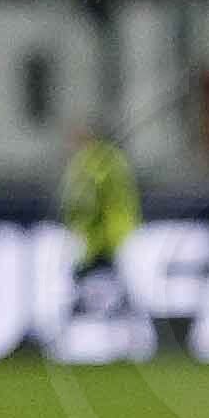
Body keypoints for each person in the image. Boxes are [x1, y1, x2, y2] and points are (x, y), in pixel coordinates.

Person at [60, 120, 141, 338]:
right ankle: (128, 332)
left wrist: (80, 231)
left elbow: (89, 204)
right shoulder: (112, 159)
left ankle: (74, 331)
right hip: (115, 234)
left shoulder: (93, 163)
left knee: (98, 282)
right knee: (114, 283)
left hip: (107, 236)